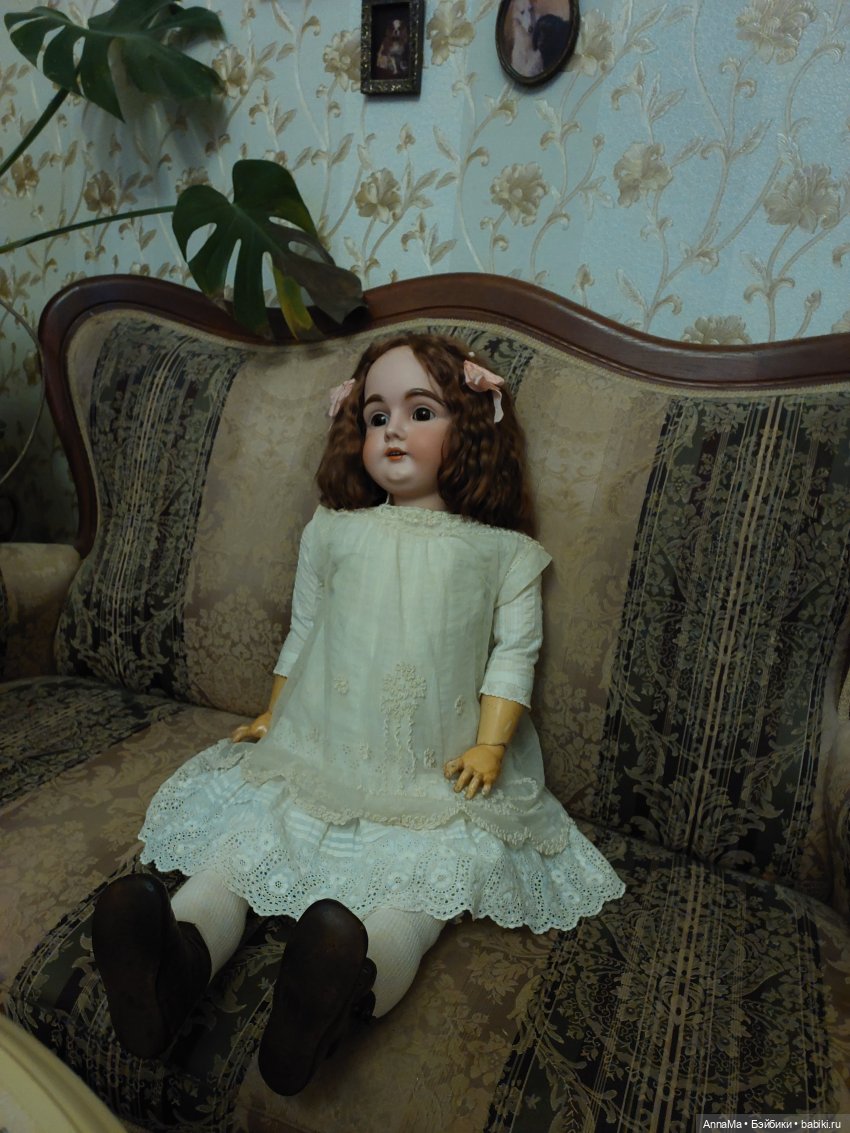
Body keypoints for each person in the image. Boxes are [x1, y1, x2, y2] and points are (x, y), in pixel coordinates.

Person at [92, 333, 624, 1095]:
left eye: (420, 412)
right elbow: (305, 630)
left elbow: (514, 656)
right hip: (316, 753)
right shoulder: (332, 528)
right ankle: (168, 969)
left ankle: (336, 991)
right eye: (377, 416)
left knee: (417, 890)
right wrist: (274, 714)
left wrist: (491, 745)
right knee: (239, 851)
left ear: (472, 427)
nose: (394, 430)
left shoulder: (502, 552)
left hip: (434, 775)